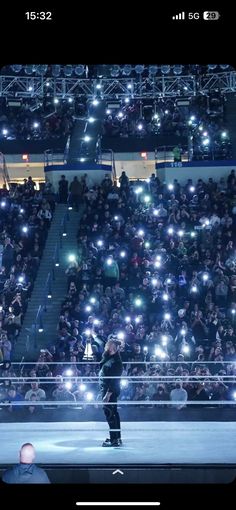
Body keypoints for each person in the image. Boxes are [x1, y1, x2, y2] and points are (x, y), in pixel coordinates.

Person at [99, 339, 123, 447]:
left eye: (108, 345)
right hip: (105, 388)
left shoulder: (116, 362)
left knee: (110, 413)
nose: (106, 346)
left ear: (112, 347)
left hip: (110, 390)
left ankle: (114, 440)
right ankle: (116, 437)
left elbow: (114, 380)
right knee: (113, 413)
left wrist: (107, 394)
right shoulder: (108, 358)